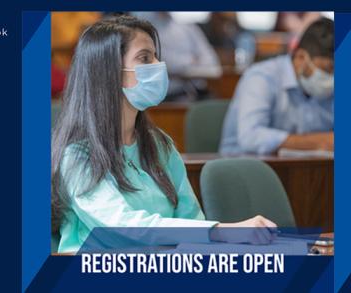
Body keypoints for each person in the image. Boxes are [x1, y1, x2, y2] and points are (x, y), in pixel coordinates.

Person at [51, 16, 277, 253]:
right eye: (145, 58)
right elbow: (123, 227)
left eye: (156, 56)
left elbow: (192, 222)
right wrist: (222, 231)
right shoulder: (77, 155)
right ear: (110, 72)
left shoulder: (160, 145)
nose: (158, 65)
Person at [220, 18, 334, 156]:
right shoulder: (262, 77)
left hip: (303, 169)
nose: (333, 78)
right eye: (328, 69)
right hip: (242, 169)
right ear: (301, 57)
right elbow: (250, 137)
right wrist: (319, 141)